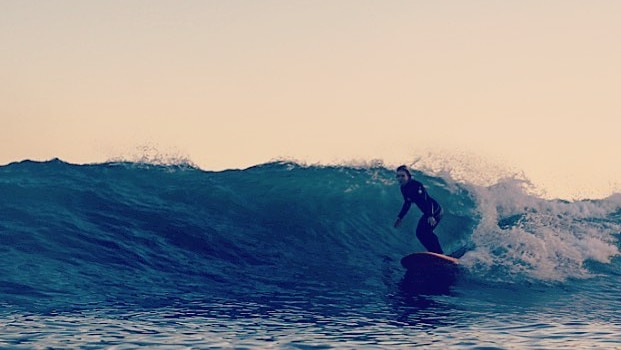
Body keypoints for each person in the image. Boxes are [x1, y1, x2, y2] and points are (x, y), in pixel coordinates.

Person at [393, 165, 444, 254]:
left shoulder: (417, 186)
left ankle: (439, 252)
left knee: (425, 232)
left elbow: (427, 201)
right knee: (420, 233)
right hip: (428, 213)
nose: (400, 178)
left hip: (435, 210)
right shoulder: (403, 188)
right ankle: (433, 251)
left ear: (408, 176)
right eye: (398, 176)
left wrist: (430, 215)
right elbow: (407, 203)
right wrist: (400, 217)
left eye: (402, 176)